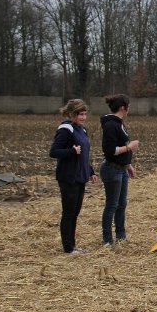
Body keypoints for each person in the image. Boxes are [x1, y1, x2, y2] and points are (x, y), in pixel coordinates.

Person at [48, 99, 97, 254]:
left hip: (80, 176)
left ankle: (73, 245)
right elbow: (54, 152)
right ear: (70, 114)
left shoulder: (81, 130)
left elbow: (83, 154)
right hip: (68, 177)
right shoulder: (65, 129)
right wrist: (71, 151)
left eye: (84, 114)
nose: (82, 117)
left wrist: (90, 171)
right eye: (79, 114)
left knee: (75, 212)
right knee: (68, 213)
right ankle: (68, 248)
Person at [100, 94, 139, 247]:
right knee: (112, 205)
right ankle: (107, 239)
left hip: (121, 169)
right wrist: (129, 147)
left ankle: (121, 237)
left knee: (121, 204)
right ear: (123, 107)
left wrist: (128, 165)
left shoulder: (119, 123)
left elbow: (121, 145)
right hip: (112, 170)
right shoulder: (111, 125)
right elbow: (109, 150)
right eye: (128, 106)